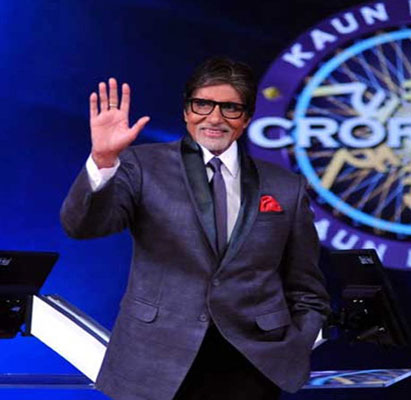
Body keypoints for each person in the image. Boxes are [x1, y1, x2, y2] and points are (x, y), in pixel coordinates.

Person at [60, 57, 330, 400]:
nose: (214, 118)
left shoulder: (285, 186)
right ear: (187, 111)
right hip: (154, 361)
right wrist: (103, 160)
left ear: (247, 118)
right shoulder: (141, 165)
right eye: (203, 104)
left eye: (230, 108)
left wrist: (296, 344)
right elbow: (81, 226)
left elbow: (306, 287)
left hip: (252, 367)